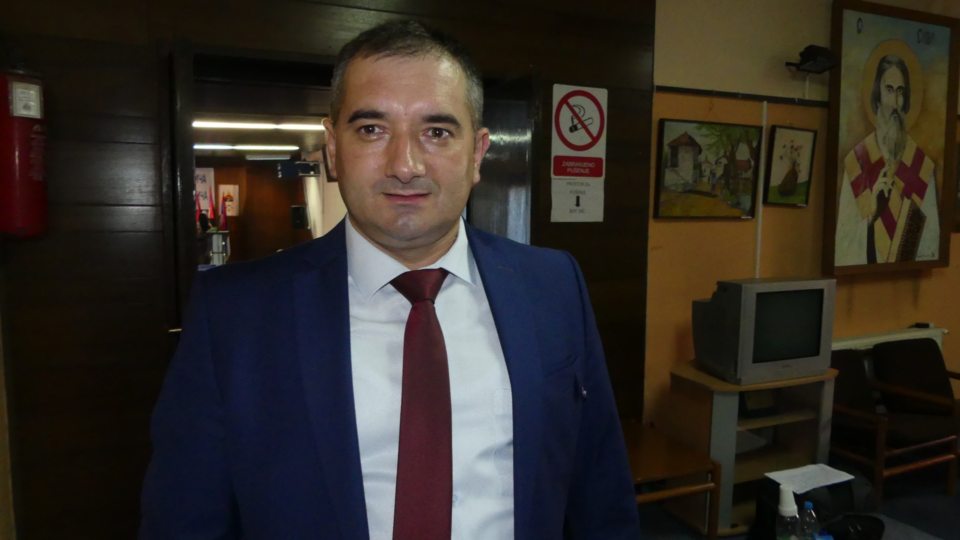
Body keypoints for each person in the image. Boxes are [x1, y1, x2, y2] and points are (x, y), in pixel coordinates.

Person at [140, 20, 641, 539]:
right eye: (372, 130)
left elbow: (600, 492)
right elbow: (184, 521)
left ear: (477, 153)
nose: (404, 165)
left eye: (437, 132)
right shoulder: (234, 314)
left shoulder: (553, 286)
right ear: (332, 148)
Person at [835, 53, 939, 265]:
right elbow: (843, 247)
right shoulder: (858, 161)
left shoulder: (921, 165)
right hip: (864, 278)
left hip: (907, 277)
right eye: (889, 90)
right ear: (877, 96)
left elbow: (931, 243)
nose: (895, 102)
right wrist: (872, 216)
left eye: (901, 92)